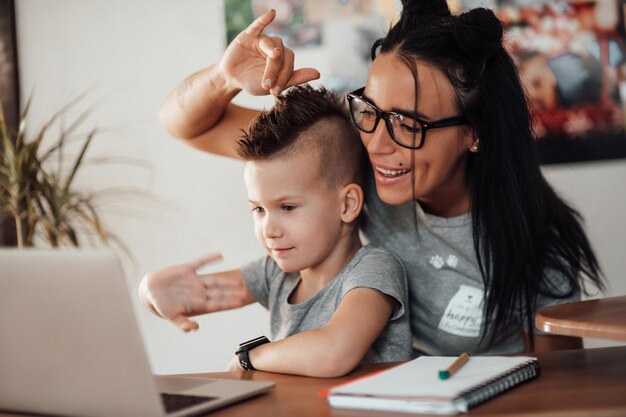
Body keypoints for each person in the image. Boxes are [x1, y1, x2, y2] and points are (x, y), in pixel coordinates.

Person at [148, 0, 605, 355]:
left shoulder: (533, 243)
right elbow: (183, 124)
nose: (379, 145)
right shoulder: (358, 158)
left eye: (408, 124)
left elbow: (558, 386)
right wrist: (224, 77)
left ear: (475, 134)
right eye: (371, 110)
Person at [140, 85, 412, 377]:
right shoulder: (275, 273)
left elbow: (335, 353)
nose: (268, 229)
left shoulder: (374, 269)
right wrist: (152, 292)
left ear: (347, 204)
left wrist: (250, 356)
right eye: (258, 209)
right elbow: (194, 296)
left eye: (288, 208)